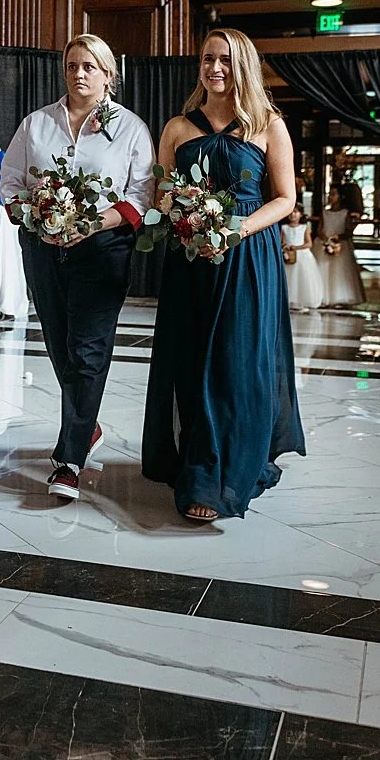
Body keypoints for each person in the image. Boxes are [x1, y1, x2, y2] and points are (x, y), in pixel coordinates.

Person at [142, 29, 304, 521]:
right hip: (191, 262)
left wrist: (237, 228)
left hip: (249, 258)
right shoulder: (176, 128)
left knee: (238, 362)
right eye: (209, 59)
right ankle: (198, 468)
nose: (215, 68)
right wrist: (185, 218)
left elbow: (286, 199)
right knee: (192, 362)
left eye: (227, 61)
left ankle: (226, 472)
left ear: (245, 67)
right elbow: (161, 199)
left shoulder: (268, 125)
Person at [0, 33, 155, 501]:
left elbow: (141, 196)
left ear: (109, 74)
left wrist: (90, 224)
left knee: (88, 351)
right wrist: (36, 218)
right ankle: (86, 426)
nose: (79, 74)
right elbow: (10, 183)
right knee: (60, 346)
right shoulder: (36, 125)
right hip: (44, 249)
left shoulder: (130, 129)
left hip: (103, 250)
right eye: (72, 66)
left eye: (90, 66)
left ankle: (68, 460)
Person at [318, 187, 365, 307]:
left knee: (339, 271)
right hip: (325, 242)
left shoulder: (345, 213)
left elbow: (349, 231)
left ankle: (339, 297)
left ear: (340, 197)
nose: (330, 197)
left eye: (333, 194)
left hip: (340, 245)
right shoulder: (324, 212)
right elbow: (320, 229)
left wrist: (338, 237)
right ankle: (322, 296)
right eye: (330, 194)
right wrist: (325, 239)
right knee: (323, 269)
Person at [281, 203, 324, 312]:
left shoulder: (304, 228)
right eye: (290, 212)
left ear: (301, 214)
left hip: (302, 256)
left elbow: (309, 244)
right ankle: (289, 300)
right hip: (289, 256)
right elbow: (281, 242)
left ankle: (301, 300)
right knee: (289, 278)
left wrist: (296, 247)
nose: (293, 215)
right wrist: (284, 247)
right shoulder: (284, 228)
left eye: (295, 212)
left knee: (302, 278)